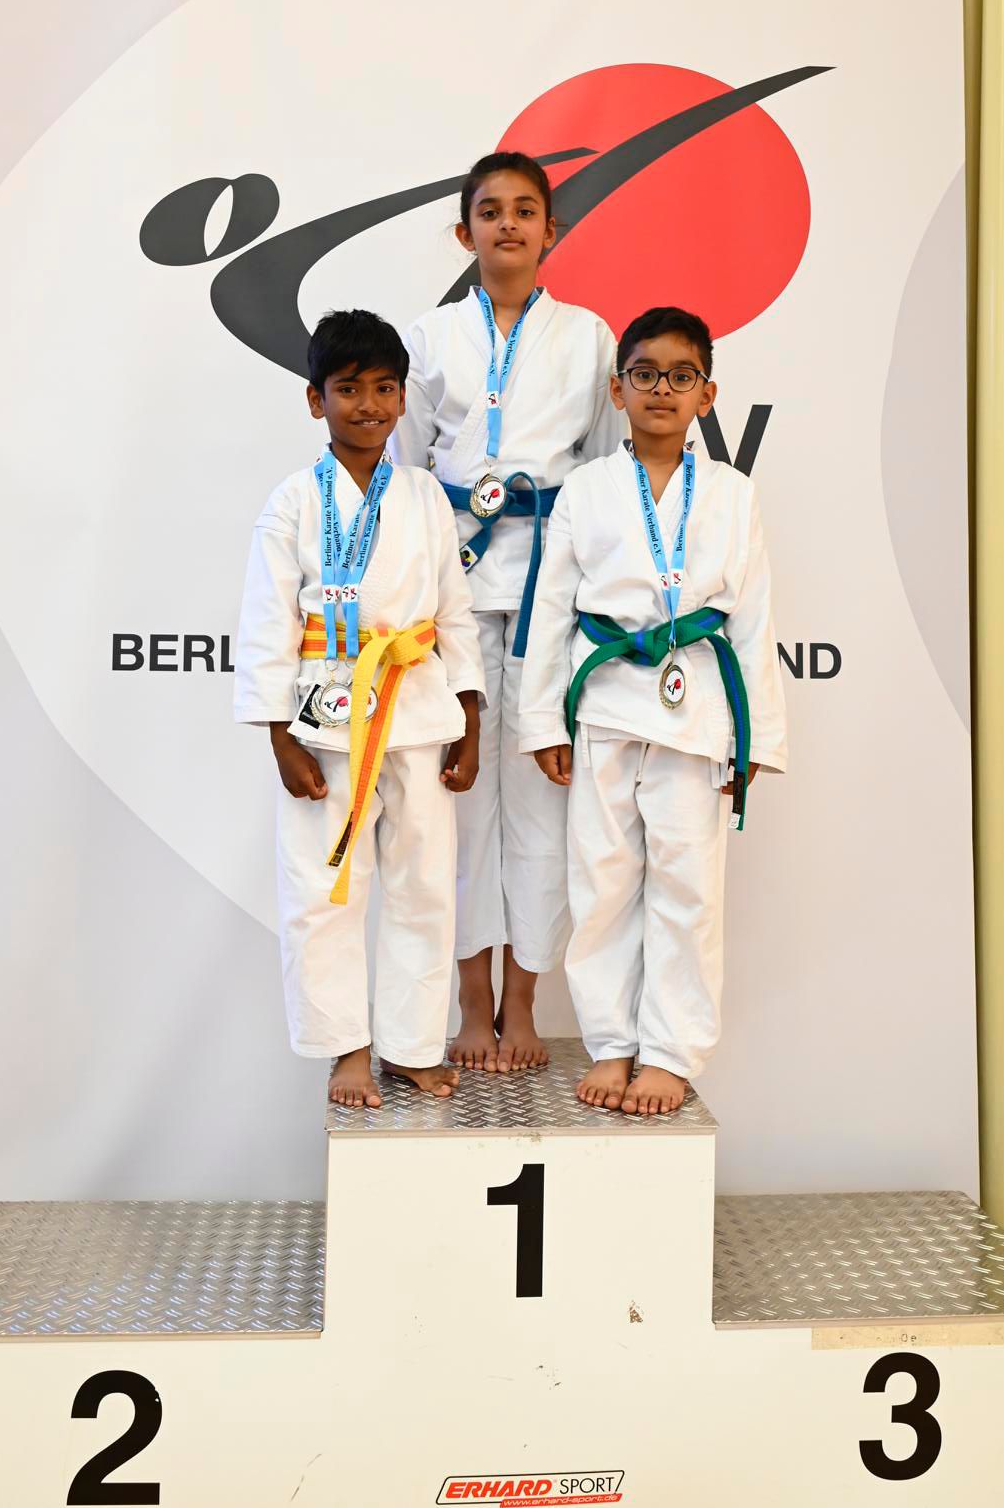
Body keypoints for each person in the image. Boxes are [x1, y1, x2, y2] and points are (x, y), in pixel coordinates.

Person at [518, 306, 787, 1115]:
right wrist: (544, 720)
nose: (661, 389)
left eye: (680, 376)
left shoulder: (733, 494)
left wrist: (754, 738)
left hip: (697, 709)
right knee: (601, 883)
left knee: (687, 885)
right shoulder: (586, 490)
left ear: (708, 393)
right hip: (606, 703)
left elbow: (754, 620)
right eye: (645, 374)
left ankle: (668, 1053)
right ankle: (612, 1043)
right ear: (617, 390)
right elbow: (551, 612)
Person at [391, 152, 623, 1074]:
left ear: (551, 231)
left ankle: (520, 1001)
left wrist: (587, 586)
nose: (509, 225)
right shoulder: (431, 336)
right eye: (491, 212)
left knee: (538, 804)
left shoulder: (590, 337)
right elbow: (407, 473)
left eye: (527, 211)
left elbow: (603, 475)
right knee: (454, 802)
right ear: (465, 233)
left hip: (548, 591)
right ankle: (469, 1002)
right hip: (451, 588)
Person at [234, 309, 486, 1108]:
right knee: (323, 887)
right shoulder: (292, 502)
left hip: (417, 708)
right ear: (317, 400)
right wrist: (279, 736)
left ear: (403, 398)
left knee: (425, 885)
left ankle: (411, 1046)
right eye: (348, 389)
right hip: (324, 715)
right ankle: (346, 1047)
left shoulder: (424, 496)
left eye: (384, 388)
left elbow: (454, 610)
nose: (368, 405)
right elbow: (267, 623)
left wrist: (470, 719)